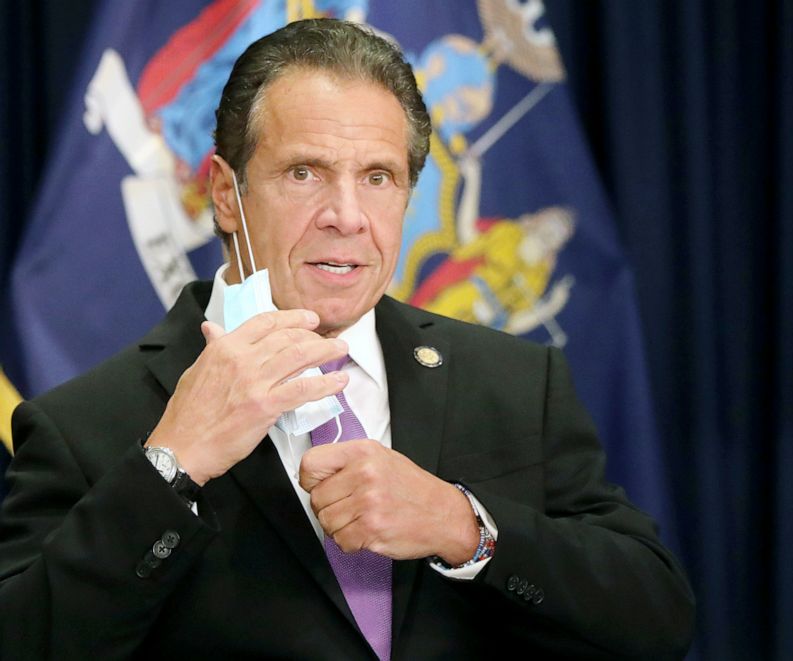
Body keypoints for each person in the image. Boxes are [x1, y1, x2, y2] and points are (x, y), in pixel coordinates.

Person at [0, 19, 694, 660]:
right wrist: (170, 467)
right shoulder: (85, 424)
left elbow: (655, 617)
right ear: (223, 191)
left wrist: (465, 527)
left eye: (379, 178)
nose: (347, 216)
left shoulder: (515, 383)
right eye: (304, 173)